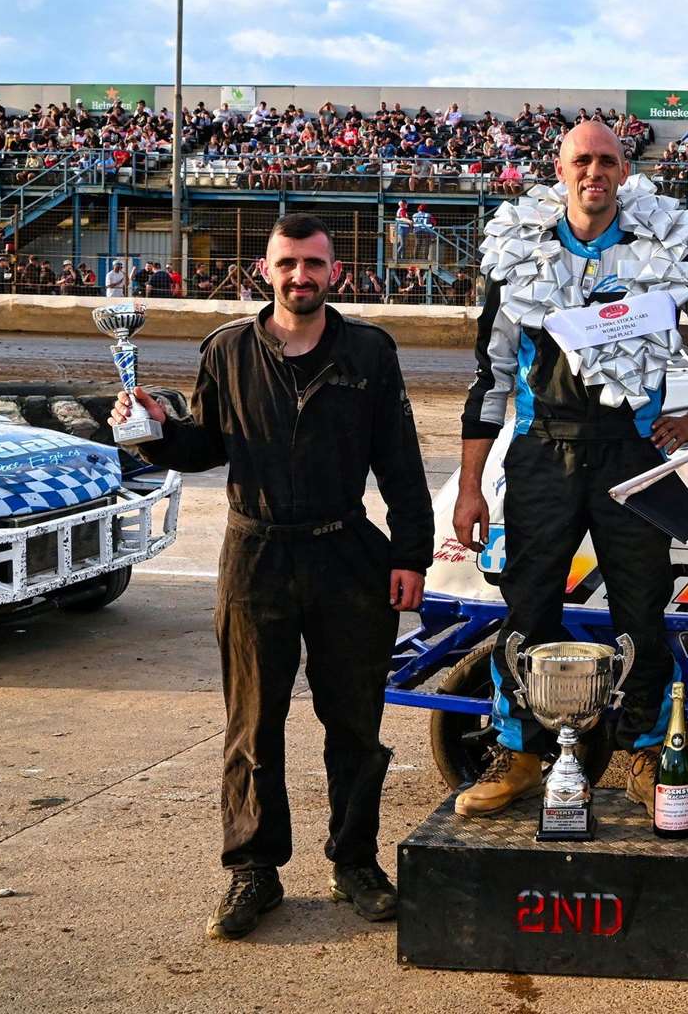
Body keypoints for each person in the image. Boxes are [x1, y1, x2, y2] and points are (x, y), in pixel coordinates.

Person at [111, 213, 434, 941]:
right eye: (287, 263)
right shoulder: (226, 350)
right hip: (255, 555)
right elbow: (206, 448)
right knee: (252, 724)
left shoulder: (370, 353)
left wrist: (411, 555)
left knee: (354, 724)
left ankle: (354, 862)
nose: (300, 276)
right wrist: (151, 429)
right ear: (266, 269)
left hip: (347, 553)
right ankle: (253, 870)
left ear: (335, 272)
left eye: (313, 264)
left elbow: (402, 464)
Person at [451, 121, 688, 821]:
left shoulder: (660, 247)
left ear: (623, 171)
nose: (594, 171)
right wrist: (471, 486)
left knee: (641, 609)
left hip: (631, 451)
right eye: (581, 160)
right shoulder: (517, 252)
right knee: (528, 610)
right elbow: (489, 377)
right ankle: (522, 753)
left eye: (607, 160)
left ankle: (647, 752)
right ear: (561, 170)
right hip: (542, 451)